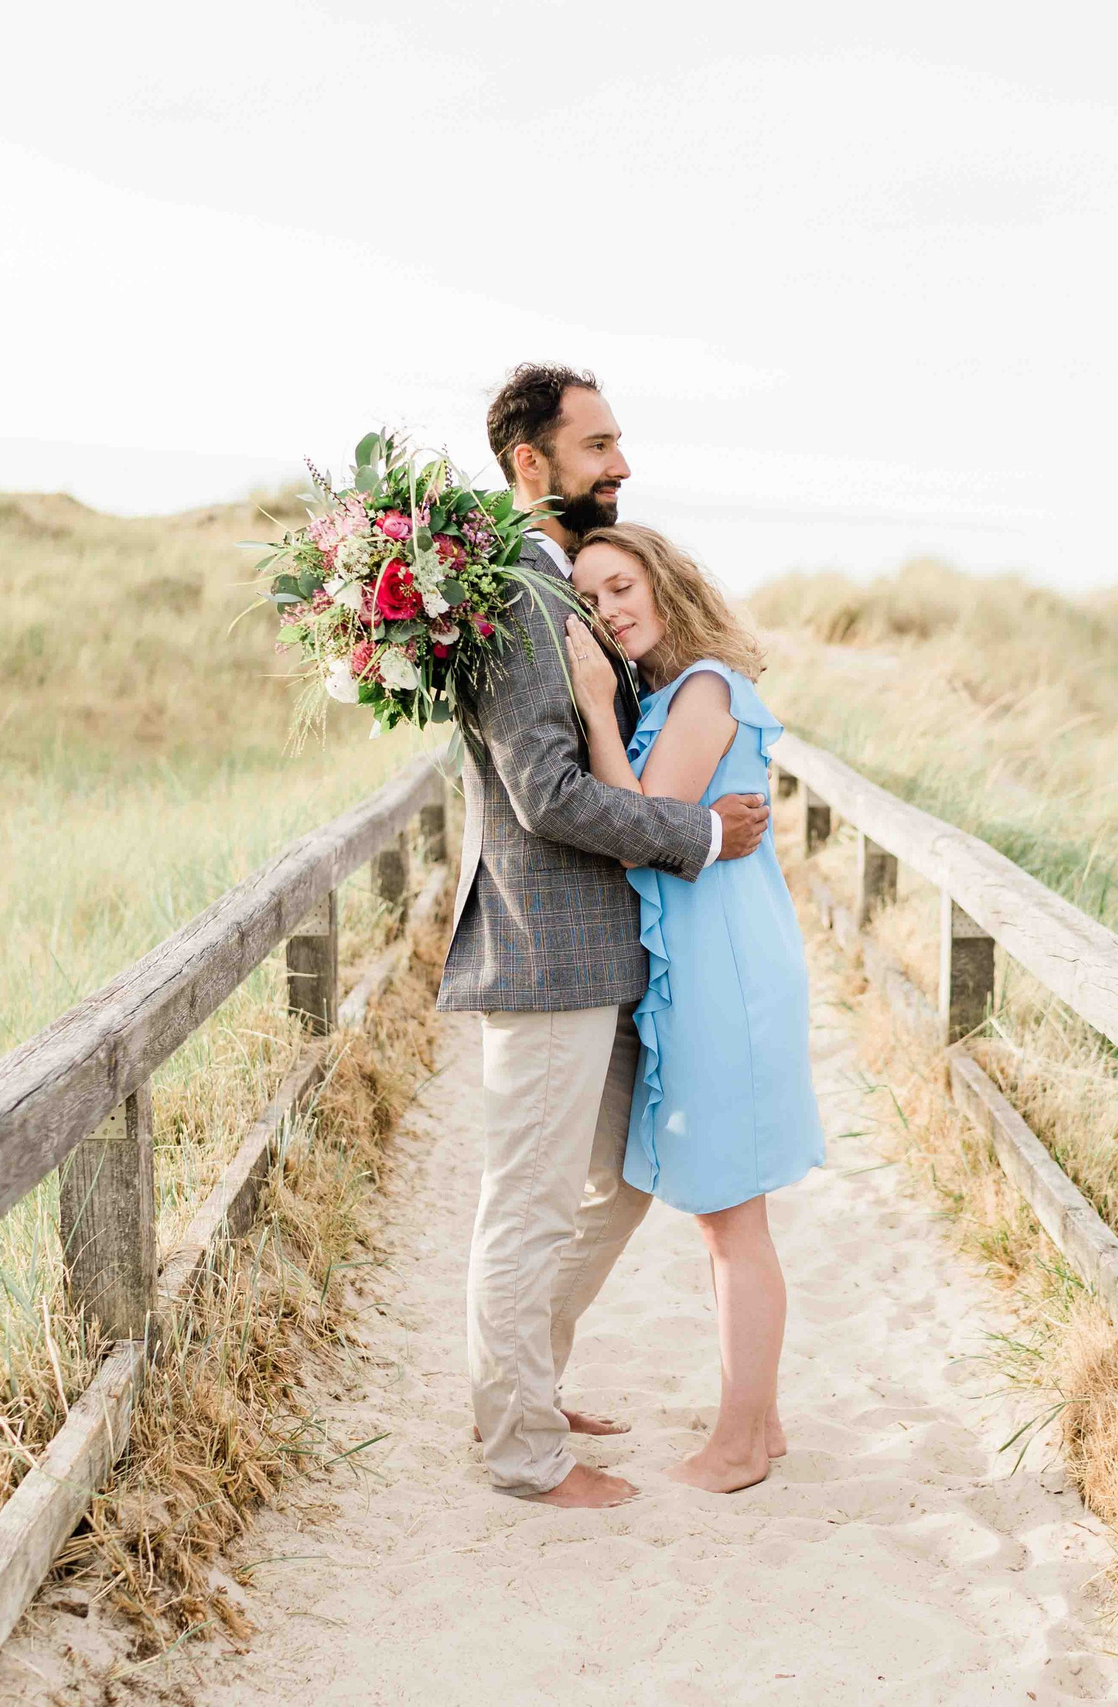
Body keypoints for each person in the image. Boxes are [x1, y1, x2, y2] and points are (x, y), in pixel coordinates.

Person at [441, 364, 771, 1509]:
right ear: (530, 465)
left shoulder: (554, 586)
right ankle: (523, 1457)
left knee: (613, 1185)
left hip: (599, 951)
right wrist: (698, 835)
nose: (620, 465)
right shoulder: (524, 600)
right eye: (597, 446)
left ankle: (526, 1378)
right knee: (528, 1206)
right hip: (545, 954)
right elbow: (546, 796)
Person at [559, 522, 823, 1494]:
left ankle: (741, 1445)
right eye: (588, 600)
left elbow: (640, 832)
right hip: (712, 965)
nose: (608, 610)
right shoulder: (677, 695)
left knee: (729, 1218)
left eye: (621, 586)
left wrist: (592, 706)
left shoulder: (705, 689)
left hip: (730, 974)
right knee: (728, 1209)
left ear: (664, 582)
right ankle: (765, 1418)